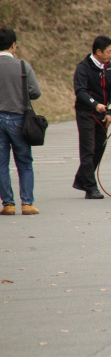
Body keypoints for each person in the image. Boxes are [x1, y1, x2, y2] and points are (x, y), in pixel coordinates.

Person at [0, 28, 41, 216]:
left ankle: (8, 204)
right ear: (14, 45)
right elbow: (35, 92)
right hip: (18, 118)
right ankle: (27, 203)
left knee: (1, 163)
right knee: (24, 162)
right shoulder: (23, 66)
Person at [73, 35, 111, 199]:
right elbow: (80, 91)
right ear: (98, 51)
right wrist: (95, 104)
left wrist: (110, 112)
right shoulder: (83, 68)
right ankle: (91, 188)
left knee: (100, 146)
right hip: (86, 113)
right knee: (88, 149)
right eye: (108, 52)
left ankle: (81, 179)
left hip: (102, 114)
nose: (110, 55)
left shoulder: (109, 67)